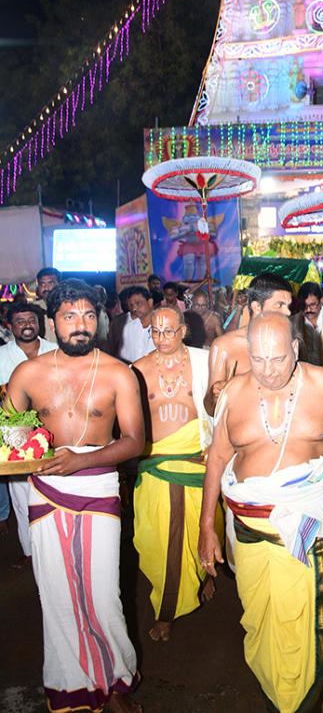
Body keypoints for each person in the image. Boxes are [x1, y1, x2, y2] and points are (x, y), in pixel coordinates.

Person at [199, 312, 323, 713]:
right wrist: (207, 527)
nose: (269, 371)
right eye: (258, 359)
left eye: (278, 359)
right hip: (255, 533)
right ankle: (284, 693)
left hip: (317, 523)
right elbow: (217, 459)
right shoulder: (233, 393)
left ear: (295, 348)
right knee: (265, 621)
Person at [7, 279, 144, 711]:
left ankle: (117, 683)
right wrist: (21, 446)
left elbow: (135, 441)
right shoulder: (28, 373)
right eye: (69, 317)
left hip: (98, 486)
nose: (80, 325)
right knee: (57, 593)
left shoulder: (120, 372)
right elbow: (9, 435)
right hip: (46, 490)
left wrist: (82, 461)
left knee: (103, 594)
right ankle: (71, 686)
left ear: (99, 319)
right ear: (53, 322)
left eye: (88, 316)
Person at [132, 306, 223, 643]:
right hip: (157, 464)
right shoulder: (138, 370)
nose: (162, 338)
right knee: (157, 540)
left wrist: (215, 442)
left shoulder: (205, 361)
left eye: (169, 331)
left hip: (198, 461)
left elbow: (221, 407)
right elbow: (131, 422)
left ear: (184, 330)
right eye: (156, 332)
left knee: (204, 527)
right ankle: (167, 605)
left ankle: (197, 582)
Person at [0, 302, 55, 568]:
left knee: (54, 491)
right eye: (19, 320)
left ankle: (55, 549)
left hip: (55, 432)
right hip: (16, 435)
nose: (26, 324)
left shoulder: (55, 351)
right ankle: (30, 551)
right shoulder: (2, 356)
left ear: (39, 322)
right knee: (22, 496)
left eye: (31, 319)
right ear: (10, 326)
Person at [204, 273, 292, 415]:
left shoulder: (291, 343)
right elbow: (211, 410)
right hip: (241, 430)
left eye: (288, 306)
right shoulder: (225, 346)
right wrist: (217, 396)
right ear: (256, 307)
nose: (287, 312)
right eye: (280, 305)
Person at [119, 286, 156, 363]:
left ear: (150, 302)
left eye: (138, 303)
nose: (134, 308)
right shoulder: (129, 328)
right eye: (131, 305)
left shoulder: (163, 325)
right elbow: (126, 358)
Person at [32, 266, 61, 343]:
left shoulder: (69, 306)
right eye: (42, 284)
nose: (46, 287)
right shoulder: (33, 308)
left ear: (59, 285)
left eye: (50, 283)